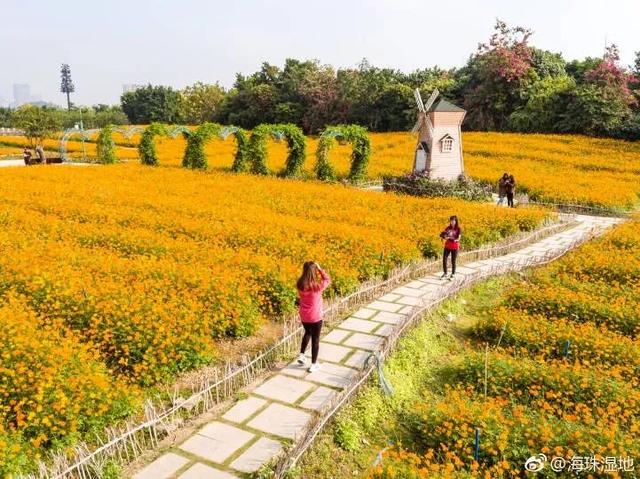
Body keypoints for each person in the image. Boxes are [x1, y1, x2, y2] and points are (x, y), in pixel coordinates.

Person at [296, 261, 331, 373]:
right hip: (316, 317)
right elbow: (327, 280)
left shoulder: (300, 284)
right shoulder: (317, 286)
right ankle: (313, 365)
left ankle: (301, 355)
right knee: (315, 340)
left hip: (304, 316)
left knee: (308, 333)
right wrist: (320, 269)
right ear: (313, 272)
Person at [439, 216, 461, 280]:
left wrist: (453, 239)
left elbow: (458, 238)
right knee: (444, 260)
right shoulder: (448, 228)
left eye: (453, 221)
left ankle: (453, 274)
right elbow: (445, 235)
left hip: (454, 247)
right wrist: (444, 237)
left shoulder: (458, 229)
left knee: (453, 261)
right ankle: (445, 273)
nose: (452, 222)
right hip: (447, 246)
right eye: (451, 221)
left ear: (456, 221)